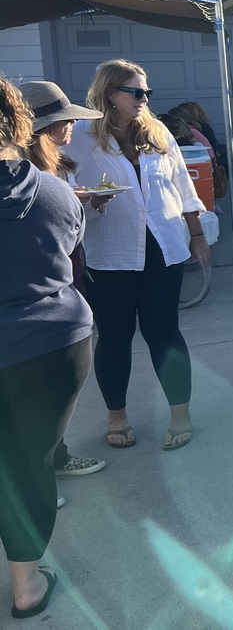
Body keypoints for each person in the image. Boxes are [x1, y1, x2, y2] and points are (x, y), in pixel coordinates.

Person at [62, 59, 209, 452]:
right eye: (137, 92)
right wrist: (88, 199)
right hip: (109, 253)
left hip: (163, 248)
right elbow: (61, 183)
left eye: (147, 93)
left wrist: (197, 235)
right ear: (111, 93)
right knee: (114, 337)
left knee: (164, 332)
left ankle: (180, 412)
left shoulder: (157, 132)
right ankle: (117, 414)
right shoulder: (79, 136)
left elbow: (182, 186)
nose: (145, 99)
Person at [0, 78, 94, 620]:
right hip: (52, 343)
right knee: (28, 463)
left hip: (42, 343)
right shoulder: (57, 191)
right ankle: (26, 586)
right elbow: (69, 256)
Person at [18, 81, 106, 480]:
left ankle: (55, 457)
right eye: (64, 118)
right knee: (31, 400)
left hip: (61, 288)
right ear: (43, 127)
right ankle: (34, 481)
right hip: (36, 302)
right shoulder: (25, 175)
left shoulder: (49, 167)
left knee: (47, 399)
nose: (71, 124)